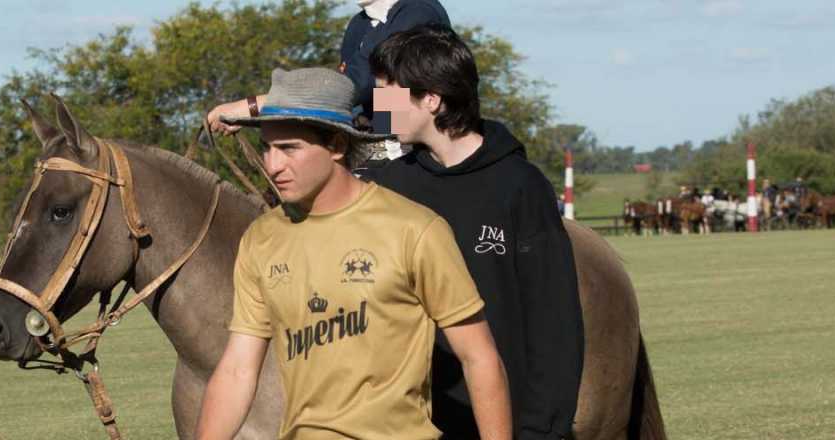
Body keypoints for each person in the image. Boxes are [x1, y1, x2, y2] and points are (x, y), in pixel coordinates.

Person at [195, 67, 512, 440]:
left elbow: (480, 358)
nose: (272, 165)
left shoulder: (414, 229)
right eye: (267, 147)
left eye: (289, 148)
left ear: (337, 146)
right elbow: (237, 369)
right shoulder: (261, 238)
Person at [365, 25, 584, 440]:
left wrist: (542, 431)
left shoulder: (520, 185)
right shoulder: (391, 186)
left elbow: (555, 324)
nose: (378, 106)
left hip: (512, 423)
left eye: (386, 92)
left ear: (430, 98)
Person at [206, 0, 450, 164]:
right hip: (379, 147)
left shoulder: (418, 12)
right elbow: (361, 101)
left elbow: (356, 85)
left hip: (425, 157)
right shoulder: (361, 24)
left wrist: (253, 106)